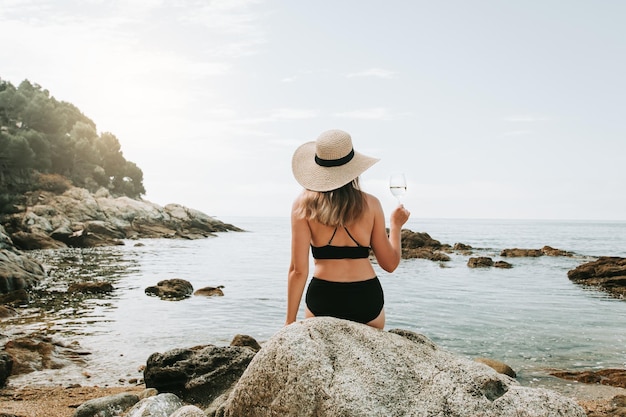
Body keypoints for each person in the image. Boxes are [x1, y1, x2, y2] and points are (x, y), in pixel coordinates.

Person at [286, 129, 410, 329]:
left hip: (323, 298)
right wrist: (395, 226)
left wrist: (289, 323)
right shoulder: (371, 204)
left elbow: (298, 271)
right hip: (366, 299)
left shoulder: (303, 204)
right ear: (353, 166)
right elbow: (390, 264)